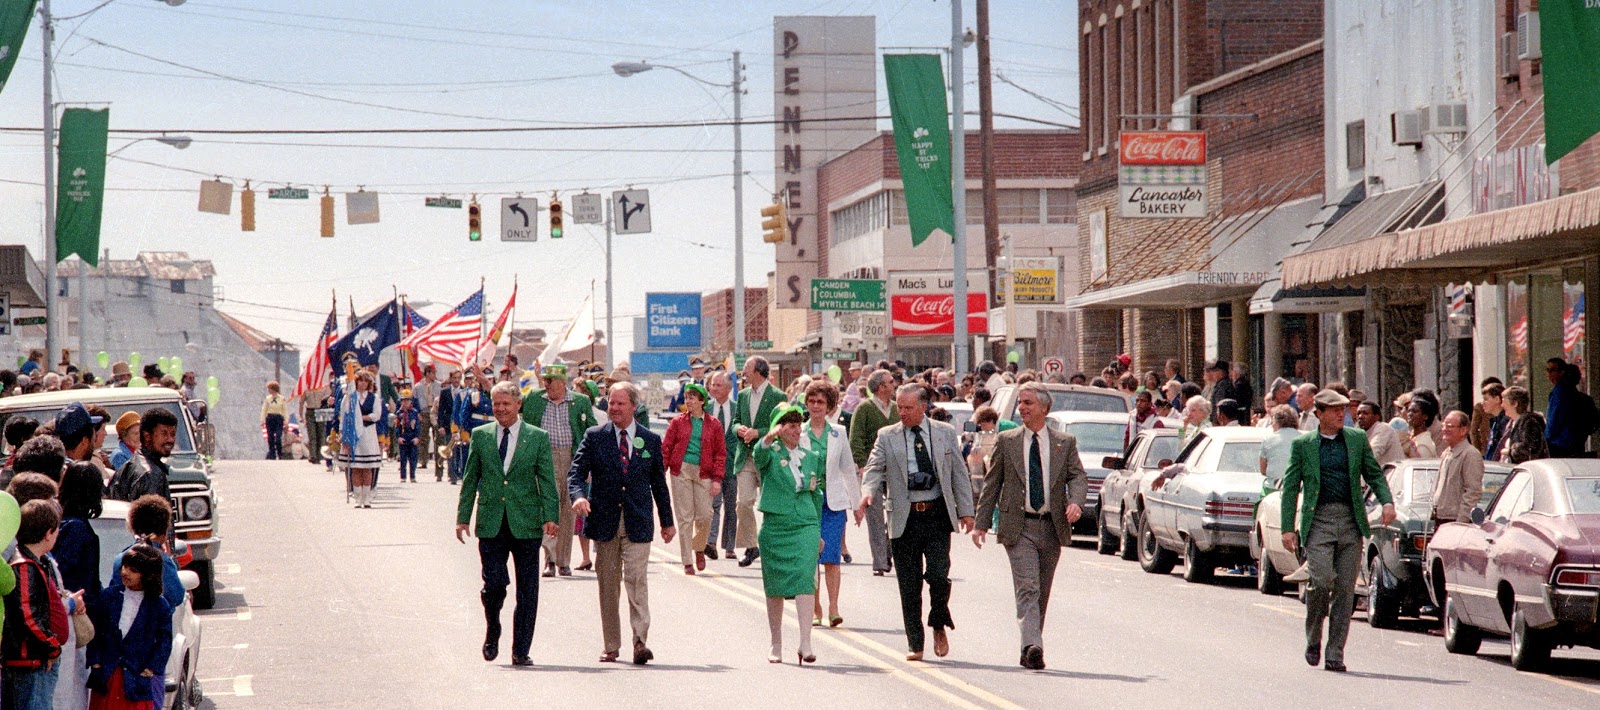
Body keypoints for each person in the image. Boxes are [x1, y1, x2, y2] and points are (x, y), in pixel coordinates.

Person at [1280, 389, 1396, 673]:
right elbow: (1292, 485)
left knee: (1345, 589)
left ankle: (1335, 653)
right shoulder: (1304, 444)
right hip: (1318, 519)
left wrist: (1387, 501)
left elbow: (1373, 472)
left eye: (1343, 410)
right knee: (1320, 582)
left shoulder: (1356, 439)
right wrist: (1287, 528)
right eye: (1334, 411)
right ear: (1318, 414)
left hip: (1349, 519)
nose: (1341, 415)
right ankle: (1313, 638)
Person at [972, 382, 1086, 670]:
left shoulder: (1065, 442)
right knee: (1028, 587)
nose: (1021, 407)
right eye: (1020, 402)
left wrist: (1076, 502)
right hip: (1018, 526)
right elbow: (992, 484)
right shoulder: (1007, 440)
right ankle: (1034, 646)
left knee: (1042, 591)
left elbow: (1078, 477)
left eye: (1028, 403)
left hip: (1051, 525)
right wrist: (981, 524)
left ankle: (1029, 646)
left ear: (1044, 408)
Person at [859, 384, 976, 661]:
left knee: (938, 574)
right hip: (904, 516)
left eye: (908, 407)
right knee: (909, 584)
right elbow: (874, 467)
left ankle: (938, 621)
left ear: (923, 407)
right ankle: (915, 642)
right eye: (899, 406)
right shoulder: (887, 436)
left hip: (936, 514)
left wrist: (967, 511)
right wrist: (867, 493)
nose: (902, 412)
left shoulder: (945, 433)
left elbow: (959, 474)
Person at [569, 382, 675, 665]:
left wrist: (667, 522)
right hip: (604, 521)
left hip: (637, 522)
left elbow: (658, 485)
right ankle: (611, 645)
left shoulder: (650, 440)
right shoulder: (595, 437)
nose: (613, 408)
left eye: (619, 404)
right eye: (610, 403)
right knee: (608, 585)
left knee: (637, 581)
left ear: (634, 407)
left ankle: (640, 642)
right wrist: (579, 497)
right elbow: (576, 473)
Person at [454, 381, 560, 667]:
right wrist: (463, 517)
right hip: (491, 521)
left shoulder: (537, 437)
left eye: (506, 404)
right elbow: (470, 478)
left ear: (518, 405)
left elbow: (547, 480)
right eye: (496, 404)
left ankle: (521, 649)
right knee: (494, 585)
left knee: (528, 590)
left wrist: (551, 516)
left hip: (526, 522)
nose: (500, 409)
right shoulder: (481, 435)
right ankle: (493, 628)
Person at [751, 405, 824, 664]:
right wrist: (767, 438)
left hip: (805, 524)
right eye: (789, 425)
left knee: (806, 579)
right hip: (776, 525)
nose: (795, 430)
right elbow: (758, 456)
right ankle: (776, 642)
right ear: (778, 429)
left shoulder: (811, 455)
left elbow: (817, 494)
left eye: (797, 425)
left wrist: (819, 532)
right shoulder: (770, 453)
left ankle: (806, 642)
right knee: (775, 587)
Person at [519, 363, 596, 578]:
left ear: (562, 382)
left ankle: (564, 562)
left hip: (572, 459)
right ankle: (549, 560)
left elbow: (590, 433)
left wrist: (590, 464)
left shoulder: (580, 402)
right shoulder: (534, 398)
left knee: (567, 510)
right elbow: (512, 405)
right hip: (544, 459)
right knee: (547, 508)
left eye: (550, 381)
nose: (546, 385)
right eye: (544, 380)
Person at [85, 543, 173, 710]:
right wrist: (95, 662)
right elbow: (94, 632)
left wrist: (150, 668)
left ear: (148, 575)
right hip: (107, 675)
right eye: (124, 566)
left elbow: (164, 641)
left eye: (133, 570)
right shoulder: (108, 596)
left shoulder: (159, 606)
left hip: (136, 677)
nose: (125, 572)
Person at [801, 380, 858, 630]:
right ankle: (816, 608)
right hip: (806, 501)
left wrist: (856, 504)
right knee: (810, 556)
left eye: (821, 402)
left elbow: (847, 469)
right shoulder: (797, 431)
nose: (816, 406)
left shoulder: (838, 433)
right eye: (812, 401)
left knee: (832, 557)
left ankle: (834, 608)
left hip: (832, 502)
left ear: (830, 407)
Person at [5, 498, 69, 708]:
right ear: (48, 533)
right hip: (28, 663)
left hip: (31, 662)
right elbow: (27, 617)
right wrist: (52, 647)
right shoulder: (24, 565)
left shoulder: (35, 562)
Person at [662, 382, 726, 575]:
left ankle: (699, 547)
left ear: (701, 401)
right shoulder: (678, 422)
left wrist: (717, 479)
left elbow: (720, 453)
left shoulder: (714, 424)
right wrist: (660, 472)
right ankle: (687, 561)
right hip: (681, 470)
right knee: (685, 517)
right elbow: (666, 448)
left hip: (704, 472)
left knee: (705, 514)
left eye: (692, 398)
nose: (688, 401)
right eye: (687, 397)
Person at [731, 356, 786, 568]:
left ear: (759, 371)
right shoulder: (743, 395)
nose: (743, 372)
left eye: (747, 368)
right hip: (745, 456)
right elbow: (735, 422)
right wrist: (740, 430)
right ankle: (751, 545)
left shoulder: (777, 396)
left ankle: (772, 545)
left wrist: (759, 433)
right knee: (743, 502)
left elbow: (783, 425)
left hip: (768, 456)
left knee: (770, 504)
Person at [848, 369, 899, 577]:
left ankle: (889, 550)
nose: (894, 384)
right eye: (890, 382)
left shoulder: (897, 409)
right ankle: (879, 562)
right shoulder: (865, 409)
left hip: (896, 469)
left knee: (896, 514)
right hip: (872, 470)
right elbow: (856, 438)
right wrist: (862, 465)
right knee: (875, 516)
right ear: (881, 387)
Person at [703, 372, 741, 562]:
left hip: (732, 464)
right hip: (711, 466)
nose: (715, 388)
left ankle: (729, 546)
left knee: (731, 506)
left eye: (719, 385)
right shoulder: (705, 409)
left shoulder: (737, 409)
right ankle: (710, 543)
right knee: (713, 504)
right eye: (713, 385)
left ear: (728, 388)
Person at [1432, 411, 1484, 527]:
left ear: (1463, 430)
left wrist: (1461, 522)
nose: (1444, 429)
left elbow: (1473, 492)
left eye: (1449, 426)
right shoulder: (1447, 453)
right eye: (1444, 425)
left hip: (1455, 520)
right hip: (1441, 518)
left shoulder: (1470, 454)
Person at [341, 370, 384, 508]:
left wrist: (361, 418)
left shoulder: (374, 398)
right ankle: (358, 496)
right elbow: (344, 415)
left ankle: (367, 497)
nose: (363, 383)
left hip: (369, 433)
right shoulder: (349, 397)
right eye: (361, 380)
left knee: (367, 467)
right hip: (354, 435)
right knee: (356, 467)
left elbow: (377, 415)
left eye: (366, 381)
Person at [1545, 359, 1597, 457]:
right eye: (1547, 370)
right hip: (1578, 446)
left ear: (1562, 373)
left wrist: (1545, 439)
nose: (1548, 374)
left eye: (1552, 370)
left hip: (1558, 447)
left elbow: (1553, 423)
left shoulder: (1559, 393)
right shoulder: (1584, 398)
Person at [1500, 386, 1548, 463]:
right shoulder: (1511, 424)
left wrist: (1510, 451)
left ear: (1515, 403)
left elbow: (1530, 450)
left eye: (1504, 402)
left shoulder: (1529, 423)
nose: (1502, 405)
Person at [1259, 405, 1300, 489]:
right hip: (1297, 487)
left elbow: (1263, 470)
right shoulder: (1304, 439)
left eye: (1272, 421)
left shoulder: (1268, 439)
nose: (1272, 424)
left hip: (1273, 487)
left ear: (1277, 422)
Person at [1354, 401, 1403, 466]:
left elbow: (1371, 455)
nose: (1360, 416)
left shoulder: (1383, 428)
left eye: (1365, 413)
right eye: (1358, 413)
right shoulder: (1360, 431)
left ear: (1376, 417)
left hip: (1393, 474)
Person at [413, 365, 441, 473]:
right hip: (423, 412)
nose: (435, 375)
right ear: (427, 373)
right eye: (433, 373)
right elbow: (414, 401)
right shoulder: (418, 386)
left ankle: (438, 462)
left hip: (435, 412)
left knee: (437, 437)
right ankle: (423, 460)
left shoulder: (439, 385)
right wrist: (417, 413)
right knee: (423, 437)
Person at [1478, 382, 1509, 462]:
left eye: (1486, 399)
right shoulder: (1494, 421)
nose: (1482, 403)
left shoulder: (1505, 422)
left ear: (1497, 399)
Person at [394, 394, 421, 483]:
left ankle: (412, 476)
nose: (405, 403)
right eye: (403, 401)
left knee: (413, 458)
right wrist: (398, 437)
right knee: (403, 459)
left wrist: (417, 437)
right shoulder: (399, 413)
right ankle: (403, 476)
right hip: (403, 437)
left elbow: (417, 425)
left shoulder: (414, 412)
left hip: (412, 437)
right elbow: (397, 426)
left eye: (407, 400)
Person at [260, 381, 287, 460]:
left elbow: (285, 410)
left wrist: (286, 421)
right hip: (270, 418)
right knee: (270, 437)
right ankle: (272, 453)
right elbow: (264, 409)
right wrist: (262, 419)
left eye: (269, 388)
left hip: (278, 418)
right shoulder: (268, 399)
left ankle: (279, 452)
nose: (268, 390)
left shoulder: (281, 399)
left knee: (278, 437)